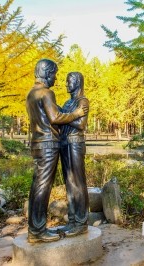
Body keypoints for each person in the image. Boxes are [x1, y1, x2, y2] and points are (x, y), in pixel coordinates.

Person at [26, 59, 88, 243]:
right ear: (47, 72)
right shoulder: (46, 93)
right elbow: (55, 117)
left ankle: (37, 228)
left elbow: (56, 116)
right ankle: (37, 230)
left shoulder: (31, 93)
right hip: (48, 143)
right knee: (42, 187)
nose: (57, 78)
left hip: (42, 143)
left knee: (40, 185)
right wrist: (76, 114)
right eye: (54, 74)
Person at [58, 72, 89, 237]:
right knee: (69, 183)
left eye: (69, 81)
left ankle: (81, 222)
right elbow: (63, 121)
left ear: (77, 82)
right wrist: (64, 116)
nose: (66, 84)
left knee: (78, 182)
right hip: (64, 143)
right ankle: (72, 220)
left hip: (75, 144)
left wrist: (63, 117)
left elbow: (81, 124)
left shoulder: (82, 101)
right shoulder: (67, 103)